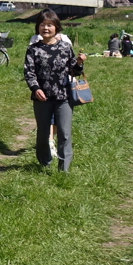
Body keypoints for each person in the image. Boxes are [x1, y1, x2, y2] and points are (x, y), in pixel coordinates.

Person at [23, 9, 86, 172]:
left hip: (64, 96)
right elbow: (29, 72)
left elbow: (74, 71)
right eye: (42, 24)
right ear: (38, 27)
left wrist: (79, 63)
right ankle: (45, 163)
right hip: (42, 98)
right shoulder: (33, 49)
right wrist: (36, 88)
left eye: (49, 25)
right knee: (43, 134)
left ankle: (64, 169)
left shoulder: (65, 47)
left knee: (64, 133)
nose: (45, 28)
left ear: (56, 27)